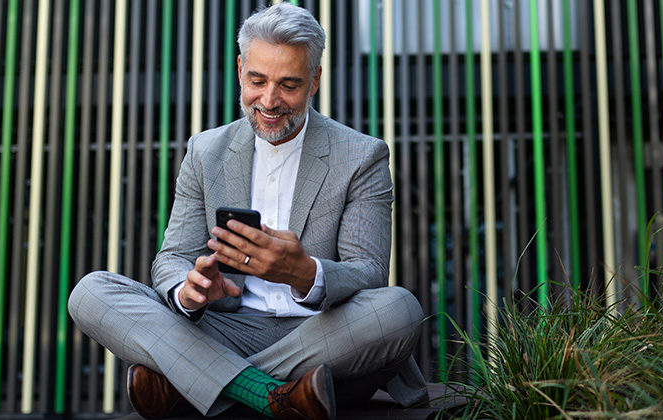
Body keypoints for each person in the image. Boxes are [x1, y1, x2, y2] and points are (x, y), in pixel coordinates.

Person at [67, 3, 428, 419]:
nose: (269, 101)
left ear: (315, 81)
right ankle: (276, 395)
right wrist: (189, 293)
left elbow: (369, 271)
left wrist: (305, 274)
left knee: (398, 310)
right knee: (92, 292)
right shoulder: (205, 151)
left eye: (288, 85)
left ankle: (191, 384)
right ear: (240, 69)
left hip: (321, 334)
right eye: (257, 80)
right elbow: (170, 260)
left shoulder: (362, 155)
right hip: (223, 329)